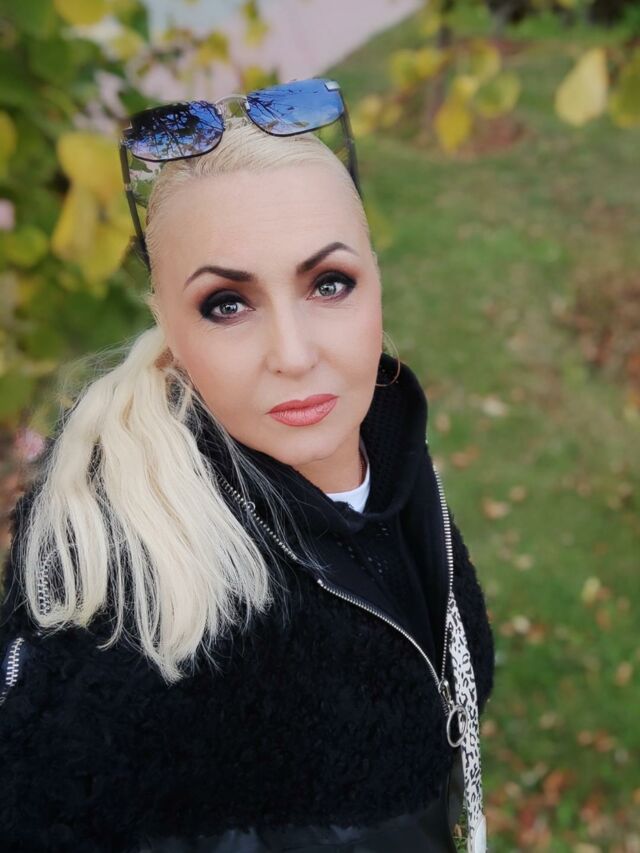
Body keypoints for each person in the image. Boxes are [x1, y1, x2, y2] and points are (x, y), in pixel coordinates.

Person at [0, 79, 495, 852]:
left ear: (374, 279)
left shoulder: (394, 452)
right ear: (167, 321)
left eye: (328, 283)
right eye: (227, 303)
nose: (293, 355)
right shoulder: (123, 625)